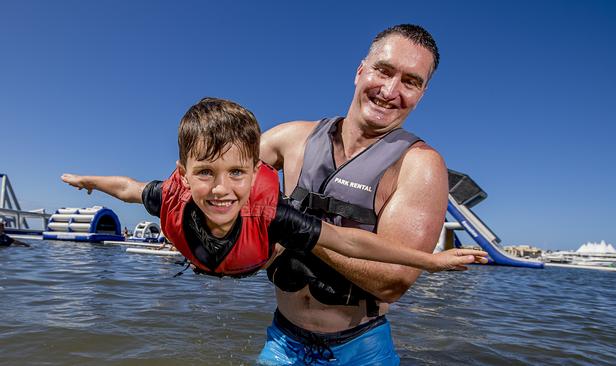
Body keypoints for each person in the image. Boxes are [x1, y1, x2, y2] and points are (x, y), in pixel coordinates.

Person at [62, 98, 486, 279]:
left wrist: (428, 261)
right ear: (184, 174)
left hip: (257, 252)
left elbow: (348, 241)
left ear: (253, 170)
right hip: (205, 258)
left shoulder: (272, 215)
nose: (221, 190)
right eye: (205, 173)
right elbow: (128, 188)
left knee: (296, 239)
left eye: (236, 174)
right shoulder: (170, 195)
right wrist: (88, 182)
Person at [258, 24, 454, 364]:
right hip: (282, 341)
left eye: (410, 82)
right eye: (384, 70)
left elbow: (392, 282)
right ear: (360, 71)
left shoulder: (420, 166)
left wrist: (297, 227)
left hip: (360, 349)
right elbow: (219, 175)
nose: (390, 91)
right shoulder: (290, 138)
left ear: (421, 95)